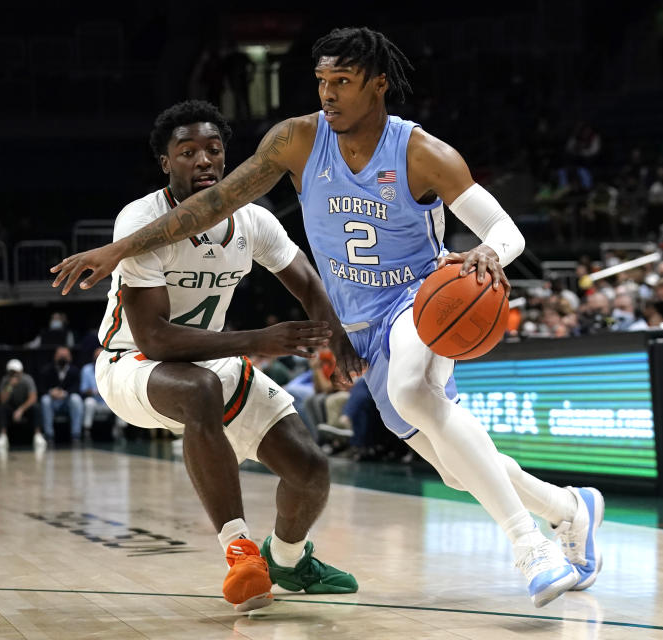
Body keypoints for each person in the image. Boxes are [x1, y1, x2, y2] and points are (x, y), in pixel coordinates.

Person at [50, 31, 602, 608]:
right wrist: (116, 251)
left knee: (412, 392)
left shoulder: (421, 153)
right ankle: (569, 508)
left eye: (343, 82)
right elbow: (212, 206)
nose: (329, 94)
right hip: (356, 327)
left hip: (420, 303)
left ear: (378, 84)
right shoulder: (297, 140)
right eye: (322, 81)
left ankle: (529, 549)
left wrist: (490, 252)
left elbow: (505, 230)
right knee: (460, 469)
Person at [78, 99, 357, 612]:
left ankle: (289, 561)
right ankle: (240, 551)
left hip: (212, 357)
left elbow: (311, 287)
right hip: (131, 364)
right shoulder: (141, 221)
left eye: (213, 149)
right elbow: (156, 340)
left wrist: (337, 339)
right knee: (200, 389)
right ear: (166, 163)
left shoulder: (252, 220)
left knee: (311, 470)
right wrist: (259, 340)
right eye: (187, 152)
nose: (203, 160)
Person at [0, 358, 44, 452]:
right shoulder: (5, 381)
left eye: (16, 372)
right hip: (11, 408)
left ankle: (38, 435)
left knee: (36, 407)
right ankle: (3, 436)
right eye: (11, 373)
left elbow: (33, 398)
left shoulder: (27, 379)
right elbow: (3, 400)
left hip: (25, 408)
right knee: (2, 408)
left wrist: (21, 410)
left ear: (21, 372)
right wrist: (10, 386)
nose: (14, 375)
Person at [38, 346, 84, 443]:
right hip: (52, 401)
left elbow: (77, 388)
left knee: (76, 399)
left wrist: (65, 393)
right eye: (60, 356)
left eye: (65, 356)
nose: (62, 358)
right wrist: (51, 392)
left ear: (70, 357)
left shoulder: (75, 371)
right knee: (45, 400)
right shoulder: (46, 370)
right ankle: (49, 435)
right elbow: (41, 388)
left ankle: (76, 434)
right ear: (55, 357)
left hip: (67, 401)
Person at [80, 347, 126, 440]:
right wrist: (94, 391)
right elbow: (83, 389)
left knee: (120, 400)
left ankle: (119, 429)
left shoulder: (113, 368)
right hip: (95, 401)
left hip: (108, 401)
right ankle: (87, 430)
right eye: (96, 357)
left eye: (100, 358)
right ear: (93, 358)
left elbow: (118, 387)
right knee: (89, 402)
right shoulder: (86, 369)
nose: (98, 360)